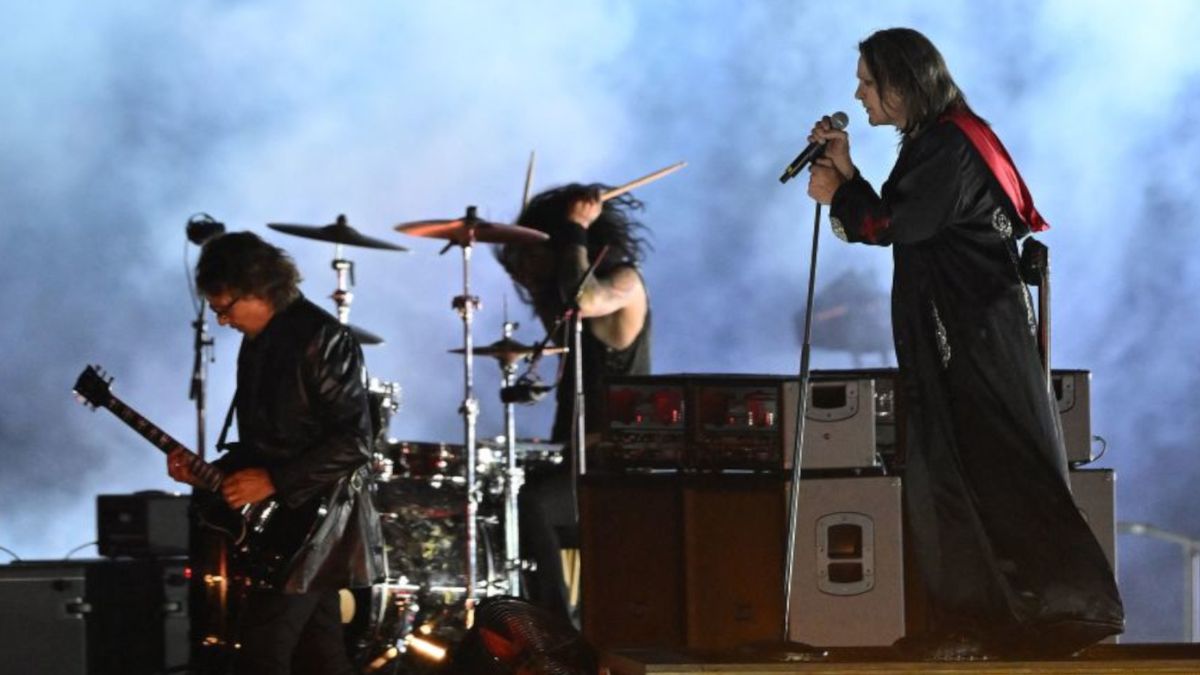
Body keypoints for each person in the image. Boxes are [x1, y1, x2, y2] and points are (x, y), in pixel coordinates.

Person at [806, 28, 1123, 659]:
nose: (858, 93)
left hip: (970, 333)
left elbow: (893, 224)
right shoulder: (942, 140)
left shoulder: (947, 145)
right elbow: (906, 221)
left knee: (979, 470)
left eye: (868, 81)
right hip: (968, 330)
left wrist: (841, 192)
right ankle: (996, 618)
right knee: (964, 469)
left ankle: (1031, 613)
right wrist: (847, 175)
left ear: (903, 83)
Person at [167, 231, 382, 675]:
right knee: (319, 655)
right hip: (289, 524)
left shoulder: (323, 338)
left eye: (224, 308)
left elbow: (356, 440)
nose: (222, 321)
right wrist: (209, 473)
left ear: (258, 290)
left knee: (263, 656)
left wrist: (275, 481)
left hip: (320, 526)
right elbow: (263, 444)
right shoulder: (257, 343)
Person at [496, 184, 652, 622]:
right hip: (577, 460)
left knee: (533, 503)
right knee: (500, 491)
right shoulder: (559, 305)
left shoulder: (625, 281)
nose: (520, 269)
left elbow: (584, 298)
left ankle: (554, 629)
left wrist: (574, 228)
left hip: (615, 466)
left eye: (529, 253)